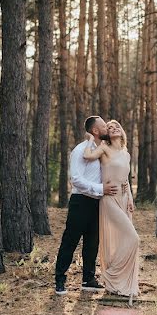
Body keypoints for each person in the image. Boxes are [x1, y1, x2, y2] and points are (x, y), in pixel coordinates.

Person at [53, 116, 120, 295]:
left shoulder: (103, 150)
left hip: (98, 203)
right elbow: (75, 179)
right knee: (70, 241)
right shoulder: (80, 150)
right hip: (81, 202)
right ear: (95, 131)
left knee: (92, 243)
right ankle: (60, 280)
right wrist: (101, 188)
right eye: (104, 126)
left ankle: (88, 279)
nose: (108, 128)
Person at [83, 120, 140, 299]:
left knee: (124, 238)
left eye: (117, 126)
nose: (114, 128)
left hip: (124, 199)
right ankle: (112, 272)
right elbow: (88, 156)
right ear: (107, 134)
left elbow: (126, 180)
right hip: (109, 199)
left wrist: (130, 198)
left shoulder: (126, 154)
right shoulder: (104, 149)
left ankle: (120, 280)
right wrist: (89, 139)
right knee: (133, 238)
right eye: (109, 127)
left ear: (122, 131)